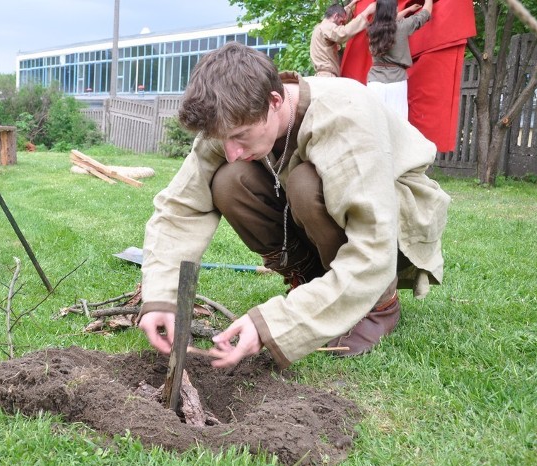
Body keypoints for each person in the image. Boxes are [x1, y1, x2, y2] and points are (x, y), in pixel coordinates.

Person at [137, 42, 450, 369]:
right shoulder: (234, 118)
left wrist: (275, 324)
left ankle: (379, 306)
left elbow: (374, 248)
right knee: (230, 179)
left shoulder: (343, 117)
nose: (231, 151)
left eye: (241, 137)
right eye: (223, 139)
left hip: (396, 217)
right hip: (334, 212)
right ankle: (314, 283)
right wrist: (162, 295)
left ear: (275, 101)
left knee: (305, 183)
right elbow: (181, 206)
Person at [366, 0, 434, 118]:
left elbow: (387, 21)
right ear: (393, 11)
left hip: (374, 82)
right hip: (396, 82)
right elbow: (425, 13)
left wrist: (407, 10)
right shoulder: (402, 26)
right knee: (398, 123)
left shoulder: (372, 29)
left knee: (374, 122)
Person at [310, 0, 377, 77]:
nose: (342, 24)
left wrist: (351, 4)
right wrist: (366, 12)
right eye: (341, 22)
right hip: (327, 77)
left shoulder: (319, 27)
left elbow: (341, 15)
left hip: (324, 76)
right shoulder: (326, 27)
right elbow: (343, 33)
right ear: (335, 16)